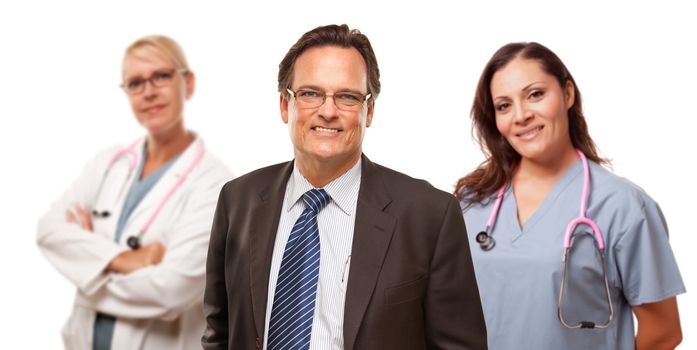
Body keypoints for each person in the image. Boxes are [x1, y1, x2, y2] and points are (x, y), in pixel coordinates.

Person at [202, 24, 486, 350]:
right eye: (310, 93)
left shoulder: (430, 215)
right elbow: (219, 333)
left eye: (347, 97)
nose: (327, 111)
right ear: (285, 105)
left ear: (369, 112)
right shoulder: (238, 200)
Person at [455, 41, 684, 349]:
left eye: (535, 94)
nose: (521, 115)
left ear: (567, 94)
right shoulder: (471, 203)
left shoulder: (623, 207)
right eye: (504, 106)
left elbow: (663, 332)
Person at [37, 35, 232, 350]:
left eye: (162, 76)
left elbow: (170, 292)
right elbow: (49, 231)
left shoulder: (215, 185)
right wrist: (123, 259)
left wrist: (84, 268)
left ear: (189, 83)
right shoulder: (108, 164)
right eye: (135, 83)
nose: (149, 92)